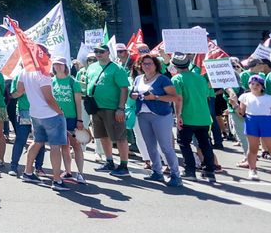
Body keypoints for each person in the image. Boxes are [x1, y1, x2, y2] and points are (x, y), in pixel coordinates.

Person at [16, 62, 70, 191]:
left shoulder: (24, 71)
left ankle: (27, 172)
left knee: (37, 142)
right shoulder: (43, 73)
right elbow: (49, 98)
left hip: (35, 113)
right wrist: (59, 111)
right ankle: (57, 180)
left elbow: (19, 91)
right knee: (55, 146)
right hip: (49, 114)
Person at [130, 53, 182, 187]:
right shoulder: (138, 79)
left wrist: (156, 97)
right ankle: (157, 172)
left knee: (166, 147)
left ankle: (176, 174)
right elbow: (133, 93)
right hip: (143, 115)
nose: (146, 66)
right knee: (150, 146)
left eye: (149, 64)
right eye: (144, 64)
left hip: (161, 115)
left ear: (155, 65)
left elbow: (174, 97)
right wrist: (134, 95)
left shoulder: (163, 79)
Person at [85, 44, 131, 177]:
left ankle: (124, 165)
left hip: (112, 108)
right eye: (96, 51)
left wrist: (121, 108)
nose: (98, 54)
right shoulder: (92, 67)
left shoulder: (117, 68)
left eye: (101, 51)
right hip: (96, 107)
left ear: (108, 53)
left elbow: (124, 89)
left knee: (120, 137)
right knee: (103, 136)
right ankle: (109, 161)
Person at [170, 52, 217, 181]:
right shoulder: (201, 78)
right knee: (205, 144)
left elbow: (178, 99)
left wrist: (178, 116)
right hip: (203, 116)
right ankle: (209, 171)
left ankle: (190, 170)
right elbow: (207, 95)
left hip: (187, 116)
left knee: (184, 143)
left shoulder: (176, 79)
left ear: (174, 66)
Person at [236, 74, 271, 183]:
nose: (255, 86)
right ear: (249, 85)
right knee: (253, 148)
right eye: (252, 84)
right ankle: (252, 170)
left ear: (262, 86)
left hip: (267, 123)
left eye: (258, 84)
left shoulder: (270, 99)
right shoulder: (245, 97)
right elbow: (241, 113)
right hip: (251, 122)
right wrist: (234, 104)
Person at [50, 57, 87, 183]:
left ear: (66, 66)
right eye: (55, 65)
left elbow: (78, 103)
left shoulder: (72, 82)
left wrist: (80, 120)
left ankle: (81, 173)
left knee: (76, 145)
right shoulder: (52, 81)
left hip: (71, 118)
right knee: (63, 146)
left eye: (60, 65)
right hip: (56, 118)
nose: (58, 67)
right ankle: (68, 171)